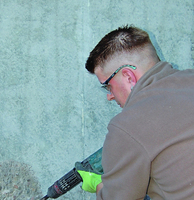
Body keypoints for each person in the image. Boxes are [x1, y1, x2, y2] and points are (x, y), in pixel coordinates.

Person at [77, 25, 194, 199]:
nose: (109, 96)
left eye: (107, 86)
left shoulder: (126, 125)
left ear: (128, 77)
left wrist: (101, 185)